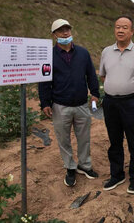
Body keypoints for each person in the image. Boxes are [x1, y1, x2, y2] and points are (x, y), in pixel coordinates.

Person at [39, 19, 100, 187]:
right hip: (60, 105)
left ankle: (84, 165)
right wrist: (45, 102)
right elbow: (44, 81)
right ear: (54, 35)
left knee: (84, 138)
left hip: (81, 104)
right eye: (61, 31)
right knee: (63, 139)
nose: (65, 33)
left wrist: (95, 93)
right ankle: (70, 167)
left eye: (67, 29)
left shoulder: (83, 53)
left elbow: (91, 76)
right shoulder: (48, 56)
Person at [99, 15, 134, 195]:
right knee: (114, 141)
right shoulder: (106, 51)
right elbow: (103, 75)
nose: (120, 30)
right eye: (117, 27)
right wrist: (115, 88)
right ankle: (117, 175)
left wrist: (131, 91)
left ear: (131, 31)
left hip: (132, 102)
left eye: (124, 27)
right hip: (110, 103)